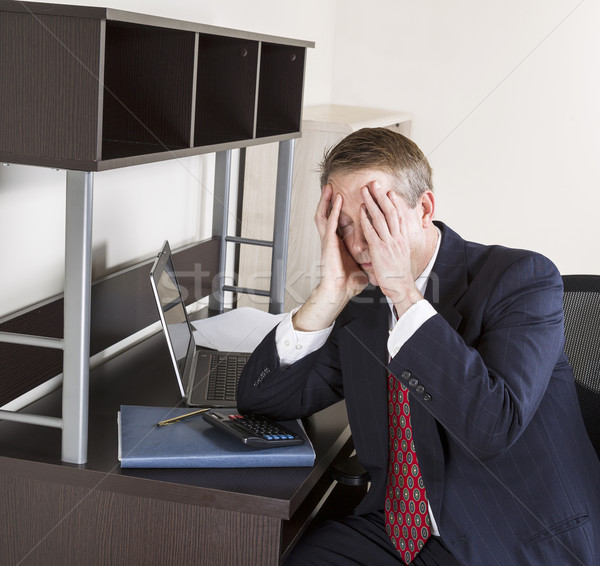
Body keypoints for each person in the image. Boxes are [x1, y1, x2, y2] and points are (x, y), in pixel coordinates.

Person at [236, 127, 600, 565]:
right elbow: (263, 398)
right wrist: (329, 294)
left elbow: (492, 429)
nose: (356, 244)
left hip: (514, 538)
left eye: (374, 220)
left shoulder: (522, 279)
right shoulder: (361, 300)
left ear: (424, 208)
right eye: (345, 227)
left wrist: (405, 297)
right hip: (398, 530)